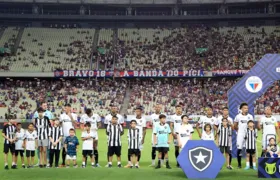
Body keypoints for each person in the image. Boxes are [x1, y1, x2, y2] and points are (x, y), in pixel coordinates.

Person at [234, 102, 254, 169]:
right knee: (239, 149)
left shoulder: (250, 116)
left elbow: (252, 126)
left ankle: (251, 164)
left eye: (247, 108)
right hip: (240, 134)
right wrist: (239, 131)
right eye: (245, 108)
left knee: (249, 149)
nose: (246, 109)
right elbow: (235, 126)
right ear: (241, 109)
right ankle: (239, 164)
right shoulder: (238, 116)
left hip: (248, 135)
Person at [33, 101, 54, 167]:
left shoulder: (46, 118)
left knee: (45, 150)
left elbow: (50, 126)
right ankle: (41, 163)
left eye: (41, 112)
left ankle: (45, 162)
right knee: (40, 150)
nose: (40, 113)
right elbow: (35, 126)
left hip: (45, 136)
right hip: (39, 137)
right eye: (39, 112)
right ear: (37, 113)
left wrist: (49, 134)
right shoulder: (36, 119)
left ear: (43, 113)